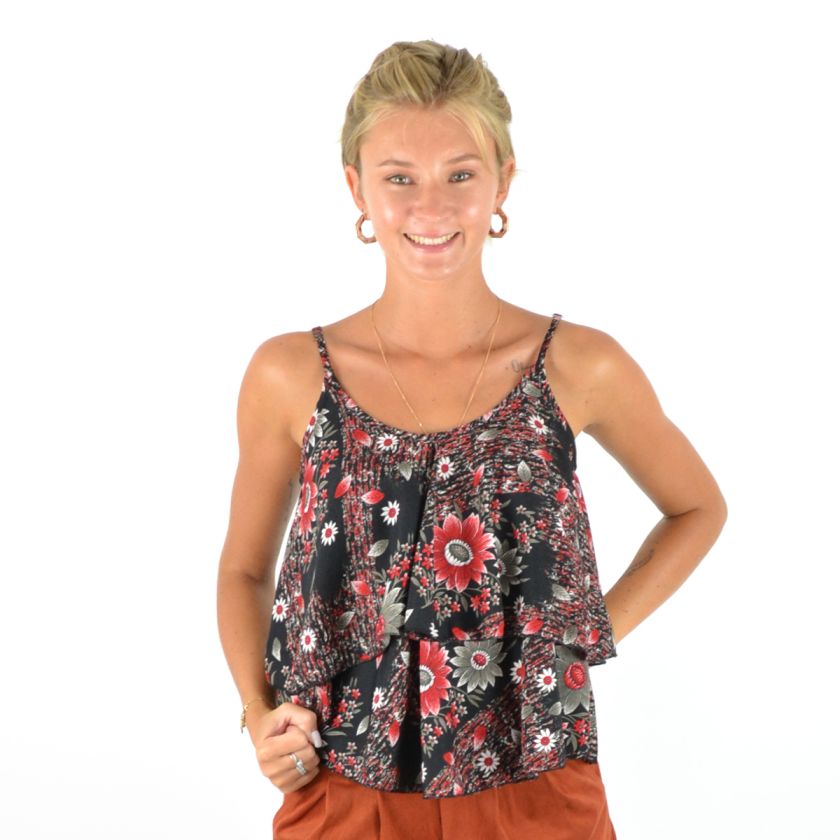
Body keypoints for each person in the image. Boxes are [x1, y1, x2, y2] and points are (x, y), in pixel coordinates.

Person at [216, 39, 727, 839]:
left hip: (537, 787)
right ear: (356, 187)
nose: (432, 207)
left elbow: (697, 508)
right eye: (400, 178)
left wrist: (574, 639)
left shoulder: (577, 365)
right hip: (340, 786)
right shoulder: (290, 375)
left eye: (460, 174)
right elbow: (244, 570)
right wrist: (257, 714)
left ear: (502, 182)